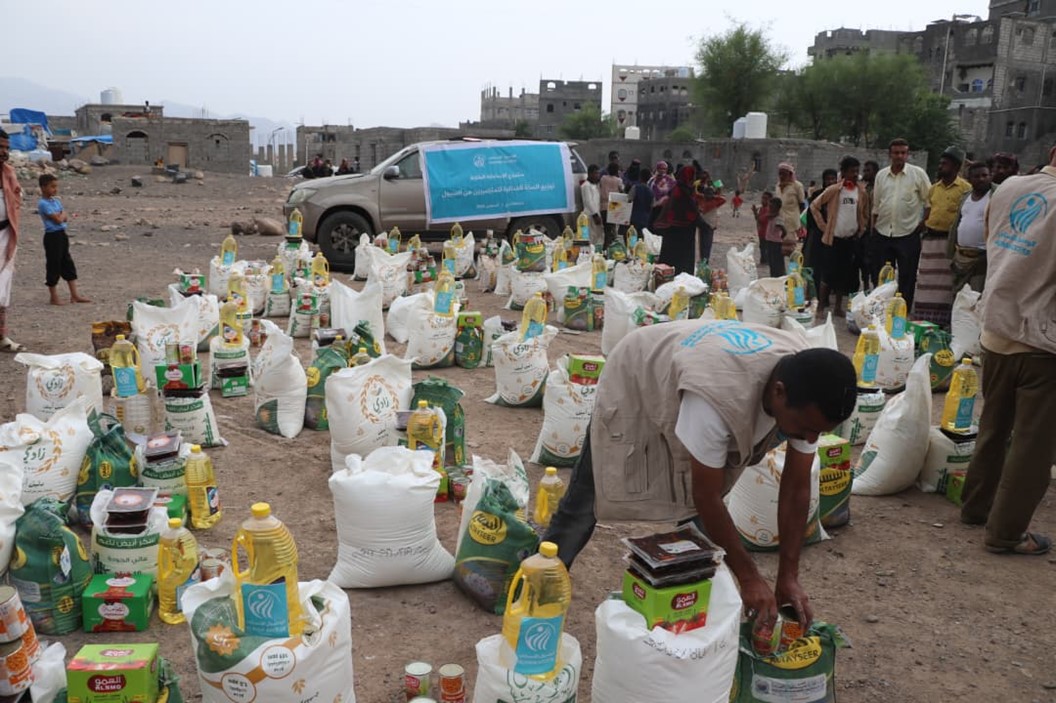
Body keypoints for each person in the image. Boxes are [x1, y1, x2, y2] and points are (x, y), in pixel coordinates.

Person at [544, 320, 858, 629]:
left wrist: (788, 575)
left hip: (693, 365)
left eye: (820, 432)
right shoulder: (715, 397)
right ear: (778, 392)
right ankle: (538, 587)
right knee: (586, 500)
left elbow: (796, 488)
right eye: (806, 428)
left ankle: (687, 604)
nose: (811, 439)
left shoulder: (811, 384)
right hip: (638, 375)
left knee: (702, 518)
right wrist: (749, 577)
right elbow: (704, 496)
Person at [958, 140, 1056, 557]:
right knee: (1033, 446)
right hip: (1041, 340)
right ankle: (1006, 533)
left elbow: (991, 242)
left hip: (995, 330)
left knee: (995, 427)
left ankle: (975, 507)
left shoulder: (1010, 188)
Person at [871, 138, 931, 309]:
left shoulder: (918, 174)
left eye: (903, 153)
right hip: (883, 232)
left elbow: (929, 203)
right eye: (896, 153)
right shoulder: (881, 175)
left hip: (908, 234)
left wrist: (921, 225)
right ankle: (881, 309)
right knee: (882, 275)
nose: (899, 156)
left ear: (907, 154)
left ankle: (901, 311)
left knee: (907, 275)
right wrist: (873, 230)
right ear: (890, 154)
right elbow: (876, 205)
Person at [914, 146, 971, 327]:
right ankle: (923, 319)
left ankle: (943, 322)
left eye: (944, 163)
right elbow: (928, 212)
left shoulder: (965, 189)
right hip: (930, 242)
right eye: (940, 163)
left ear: (955, 166)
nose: (940, 166)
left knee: (946, 285)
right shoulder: (934, 188)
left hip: (949, 242)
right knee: (926, 282)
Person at [810, 157, 867, 318]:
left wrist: (861, 229)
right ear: (844, 172)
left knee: (844, 274)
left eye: (857, 171)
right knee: (827, 274)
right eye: (852, 171)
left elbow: (864, 212)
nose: (855, 174)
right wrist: (824, 226)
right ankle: (821, 307)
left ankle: (837, 308)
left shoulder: (860, 191)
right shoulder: (835, 190)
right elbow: (815, 206)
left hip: (850, 240)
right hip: (833, 239)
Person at [37, 175, 89, 306]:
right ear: (43, 187)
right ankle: (53, 297)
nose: (55, 189)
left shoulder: (55, 201)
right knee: (53, 265)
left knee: (67, 262)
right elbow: (59, 219)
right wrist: (61, 216)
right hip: (52, 237)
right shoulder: (43, 203)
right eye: (52, 186)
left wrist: (62, 215)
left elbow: (64, 215)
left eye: (56, 186)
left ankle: (74, 295)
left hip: (61, 234)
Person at [946, 162, 995, 293]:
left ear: (991, 176)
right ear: (969, 179)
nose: (981, 179)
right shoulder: (966, 197)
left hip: (982, 258)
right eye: (977, 176)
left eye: (985, 175)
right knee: (959, 296)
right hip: (961, 256)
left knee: (974, 296)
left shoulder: (996, 195)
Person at [0, 129, 24, 352]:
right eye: (0, 147)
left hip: (6, 235)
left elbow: (16, 197)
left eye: (6, 147)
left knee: (2, 288)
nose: (4, 152)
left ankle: (1, 337)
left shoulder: (8, 172)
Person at [653, 165, 699, 274]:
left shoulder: (680, 189)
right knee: (679, 262)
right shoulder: (681, 191)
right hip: (680, 231)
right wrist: (702, 223)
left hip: (676, 230)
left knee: (674, 260)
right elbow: (690, 211)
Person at [803, 169, 838, 274]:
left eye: (833, 179)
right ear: (824, 181)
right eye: (828, 179)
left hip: (834, 234)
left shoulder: (839, 195)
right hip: (818, 234)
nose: (831, 182)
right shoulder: (817, 195)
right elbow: (811, 216)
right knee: (816, 264)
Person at [857, 160, 880, 291]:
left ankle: (875, 287)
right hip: (864, 229)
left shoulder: (879, 188)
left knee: (874, 262)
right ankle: (865, 286)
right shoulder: (863, 189)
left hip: (876, 230)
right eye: (864, 170)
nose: (865, 173)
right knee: (863, 261)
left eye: (868, 170)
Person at [775, 163, 805, 247]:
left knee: (790, 247)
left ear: (790, 174)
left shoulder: (797, 186)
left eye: (784, 174)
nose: (781, 176)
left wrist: (802, 224)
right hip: (780, 222)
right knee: (779, 247)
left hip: (792, 223)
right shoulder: (777, 186)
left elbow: (802, 204)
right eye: (780, 174)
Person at [695, 185, 725, 264]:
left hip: (706, 224)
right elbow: (723, 198)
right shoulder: (715, 201)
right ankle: (704, 259)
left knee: (704, 243)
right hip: (707, 224)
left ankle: (704, 259)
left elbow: (695, 194)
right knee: (706, 243)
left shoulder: (703, 200)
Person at [599, 163, 624, 247]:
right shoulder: (619, 180)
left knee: (606, 229)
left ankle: (606, 246)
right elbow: (622, 191)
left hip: (603, 206)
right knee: (612, 228)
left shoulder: (603, 178)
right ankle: (609, 246)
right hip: (614, 206)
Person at [763, 196, 788, 277]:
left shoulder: (778, 218)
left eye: (771, 207)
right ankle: (774, 277)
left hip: (776, 243)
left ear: (777, 208)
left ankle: (779, 278)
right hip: (770, 242)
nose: (769, 208)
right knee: (772, 263)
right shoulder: (771, 217)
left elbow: (784, 230)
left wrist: (780, 237)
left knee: (777, 263)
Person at [580, 164, 604, 248]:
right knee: (590, 238)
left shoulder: (595, 185)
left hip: (597, 214)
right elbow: (588, 201)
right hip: (590, 215)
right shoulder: (586, 186)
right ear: (589, 174)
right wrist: (595, 215)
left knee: (598, 237)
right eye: (595, 173)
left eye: (598, 173)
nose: (597, 175)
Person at [648, 160, 675, 224]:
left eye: (664, 169)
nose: (662, 170)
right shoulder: (652, 180)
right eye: (660, 168)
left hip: (664, 207)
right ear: (657, 169)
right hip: (653, 206)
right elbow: (649, 189)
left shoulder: (670, 181)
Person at [629, 167, 653, 232]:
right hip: (646, 219)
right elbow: (652, 205)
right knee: (642, 238)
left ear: (640, 177)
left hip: (634, 217)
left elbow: (629, 199)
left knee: (633, 237)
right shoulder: (651, 190)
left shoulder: (635, 187)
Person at [752, 191, 773, 264]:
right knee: (762, 248)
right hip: (761, 233)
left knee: (765, 250)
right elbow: (758, 219)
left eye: (765, 198)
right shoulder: (762, 209)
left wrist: (755, 212)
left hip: (766, 234)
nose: (763, 200)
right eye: (763, 198)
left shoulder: (768, 209)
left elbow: (761, 220)